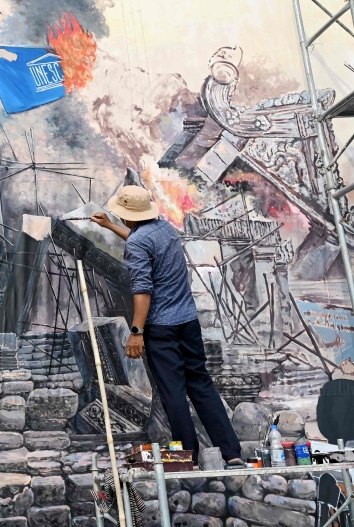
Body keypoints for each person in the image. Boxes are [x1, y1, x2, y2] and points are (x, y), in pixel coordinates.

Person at [90, 185, 243, 467]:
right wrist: (110, 226)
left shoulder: (138, 242)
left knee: (173, 393)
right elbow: (142, 242)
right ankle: (231, 453)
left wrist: (136, 332)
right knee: (201, 386)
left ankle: (189, 458)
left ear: (129, 215)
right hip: (187, 322)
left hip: (161, 328)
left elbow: (142, 290)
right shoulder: (165, 229)